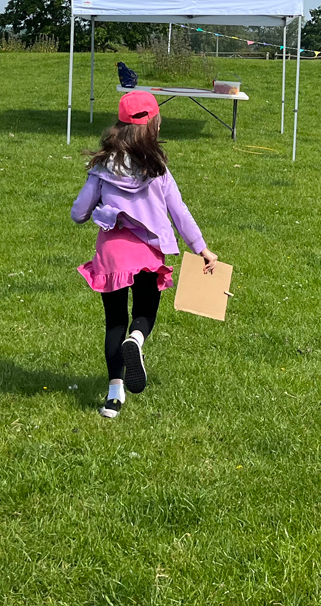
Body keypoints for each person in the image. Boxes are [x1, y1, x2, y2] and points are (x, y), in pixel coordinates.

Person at [72, 90, 217, 418]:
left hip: (111, 255)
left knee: (113, 322)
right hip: (149, 253)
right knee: (145, 312)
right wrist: (202, 248)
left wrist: (97, 208)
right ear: (154, 125)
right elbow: (179, 211)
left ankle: (113, 398)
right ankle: (136, 340)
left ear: (119, 126)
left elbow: (78, 212)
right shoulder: (158, 169)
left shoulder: (101, 168)